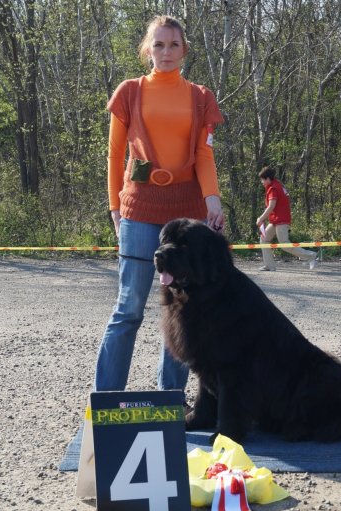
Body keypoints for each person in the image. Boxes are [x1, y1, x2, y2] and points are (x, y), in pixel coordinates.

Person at [94, 15, 225, 392]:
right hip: (139, 207)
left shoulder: (200, 98)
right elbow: (115, 154)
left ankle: (170, 399)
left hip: (187, 211)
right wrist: (114, 207)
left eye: (174, 45)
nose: (166, 52)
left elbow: (204, 155)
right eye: (158, 44)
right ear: (146, 50)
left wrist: (212, 203)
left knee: (183, 309)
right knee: (129, 308)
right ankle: (105, 400)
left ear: (184, 50)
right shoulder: (130, 92)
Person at [255, 166, 318, 271]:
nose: (261, 182)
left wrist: (261, 218)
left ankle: (311, 256)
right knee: (264, 239)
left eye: (262, 179)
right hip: (275, 220)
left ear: (268, 179)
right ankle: (269, 266)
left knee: (284, 244)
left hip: (281, 220)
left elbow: (271, 206)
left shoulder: (273, 188)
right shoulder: (277, 185)